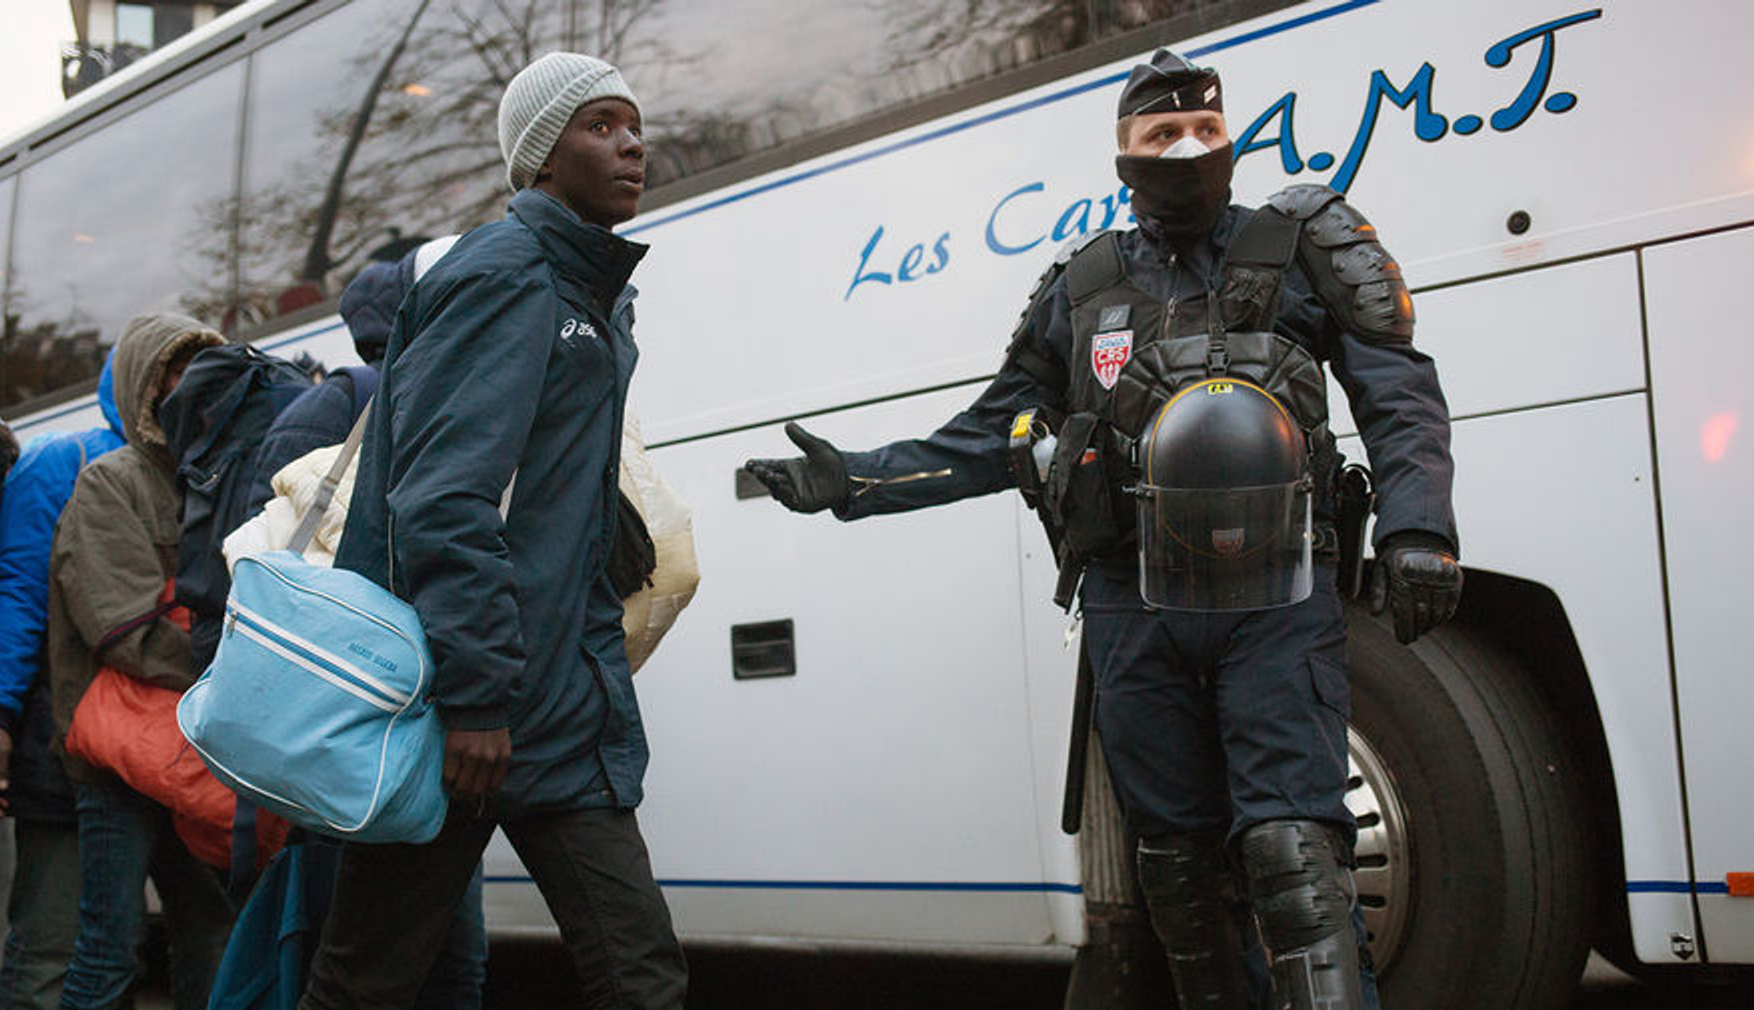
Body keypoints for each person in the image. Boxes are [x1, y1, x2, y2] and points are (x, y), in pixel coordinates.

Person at [743, 50, 1462, 1010]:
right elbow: (990, 436)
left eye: (1206, 129)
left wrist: (1419, 529)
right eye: (1163, 134)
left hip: (1276, 599)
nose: (1188, 149)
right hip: (1134, 607)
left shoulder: (1299, 250)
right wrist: (855, 480)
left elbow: (1399, 391)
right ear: (1124, 156)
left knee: (1295, 861)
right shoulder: (1082, 289)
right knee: (1181, 883)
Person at [298, 52, 685, 1010]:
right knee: (364, 985)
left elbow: (541, 490)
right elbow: (442, 497)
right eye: (600, 126)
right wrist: (473, 702)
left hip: (561, 712)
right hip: (463, 721)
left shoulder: (590, 293)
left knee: (641, 978)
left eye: (634, 125)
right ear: (542, 156)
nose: (632, 145)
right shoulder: (507, 275)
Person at [239, 245, 490, 1010]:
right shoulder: (347, 404)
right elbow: (270, 552)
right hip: (354, 712)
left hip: (417, 711)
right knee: (376, 955)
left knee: (418, 954)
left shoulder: (451, 391)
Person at [46, 313, 236, 1010]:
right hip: (119, 756)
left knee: (209, 929)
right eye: (174, 371)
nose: (192, 386)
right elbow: (122, 628)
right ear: (143, 385)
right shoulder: (111, 482)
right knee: (111, 943)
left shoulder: (216, 478)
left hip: (193, 748)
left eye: (202, 369)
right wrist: (227, 668)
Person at [0, 360, 127, 1010]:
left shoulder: (199, 465)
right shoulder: (59, 463)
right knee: (55, 941)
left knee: (97, 947)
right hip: (65, 745)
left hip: (137, 748)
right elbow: (20, 598)